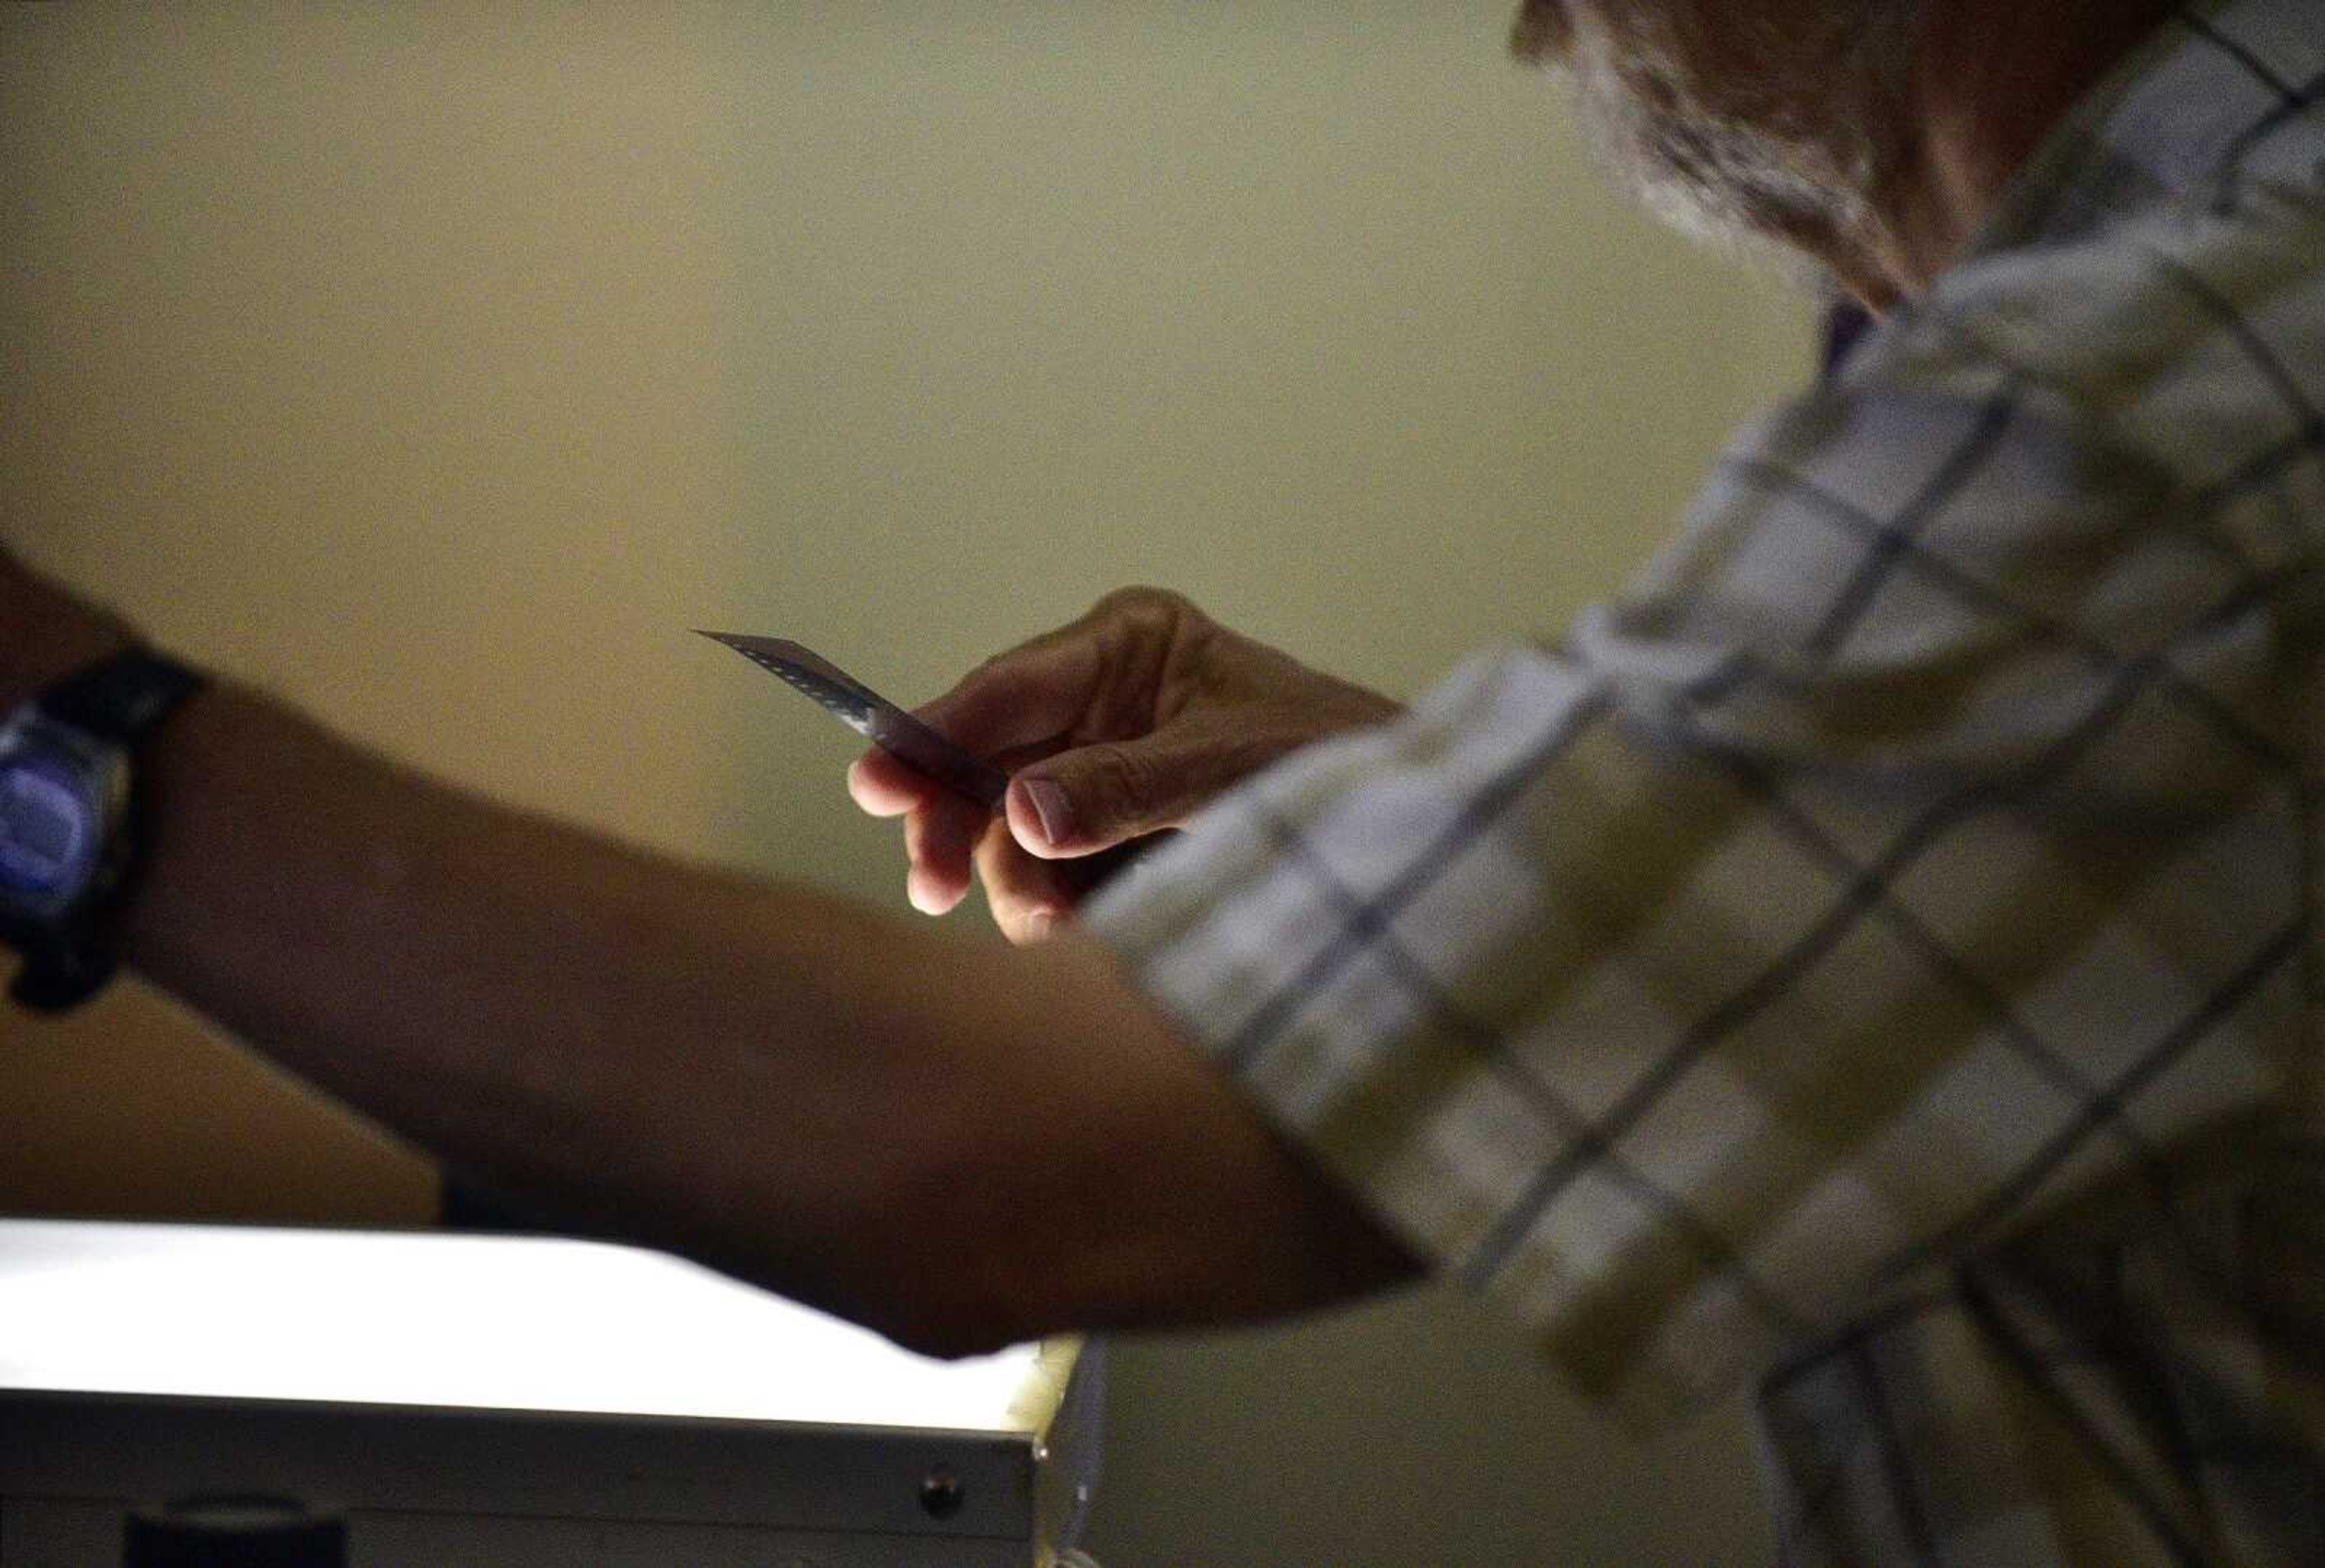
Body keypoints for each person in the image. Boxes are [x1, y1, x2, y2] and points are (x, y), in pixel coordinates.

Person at [2, 0, 2320, 1559]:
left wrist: (65, 733)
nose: (1529, 20)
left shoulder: (2173, 408)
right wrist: (1453, 818)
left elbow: (972, 1159)